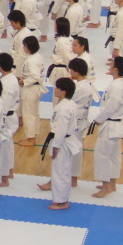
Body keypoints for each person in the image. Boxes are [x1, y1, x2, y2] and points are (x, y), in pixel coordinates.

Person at [89, 56, 123, 198]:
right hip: (117, 124)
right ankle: (112, 184)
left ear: (116, 69)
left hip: (110, 124)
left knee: (102, 156)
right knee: (113, 156)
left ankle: (106, 186)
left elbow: (111, 107)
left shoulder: (117, 86)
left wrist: (98, 120)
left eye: (112, 64)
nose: (109, 65)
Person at [44, 78, 82, 210]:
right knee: (63, 171)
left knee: (60, 172)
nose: (55, 90)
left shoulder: (64, 108)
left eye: (57, 87)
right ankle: (61, 199)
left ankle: (62, 201)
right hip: (66, 140)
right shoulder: (69, 104)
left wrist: (56, 147)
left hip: (62, 142)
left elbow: (61, 129)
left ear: (63, 91)